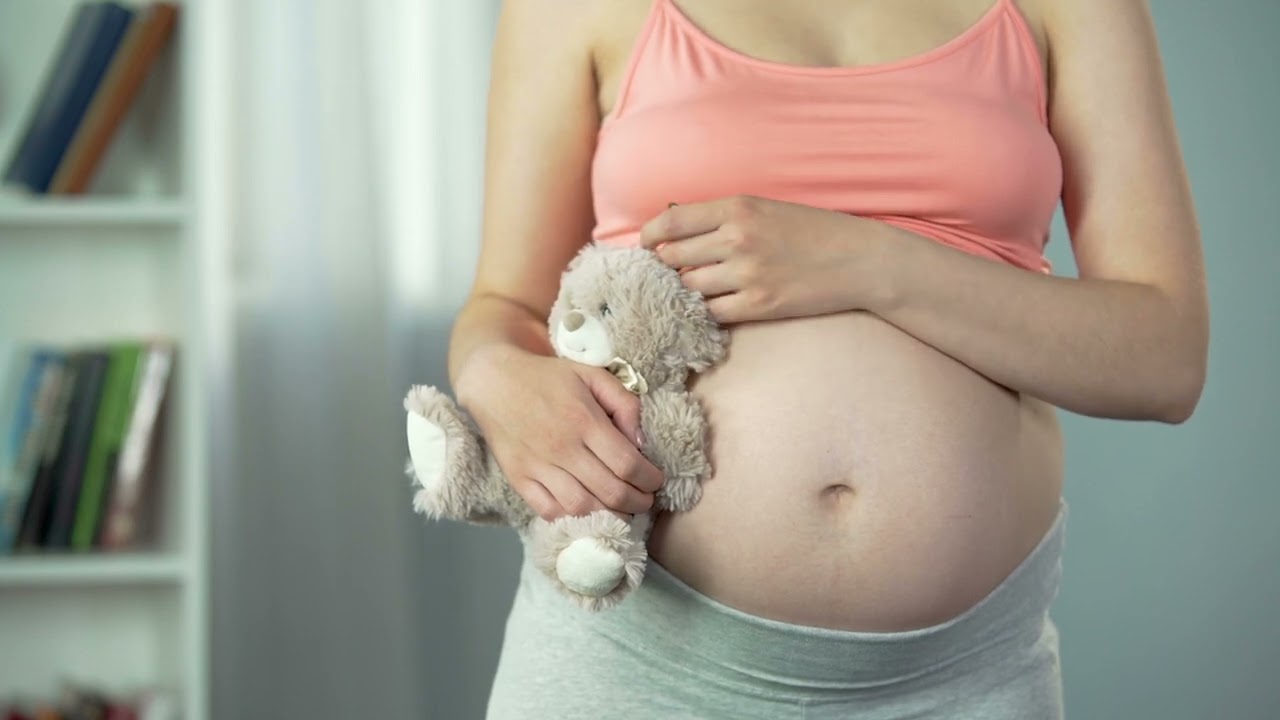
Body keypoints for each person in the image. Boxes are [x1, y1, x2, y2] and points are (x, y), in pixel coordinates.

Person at [450, 0, 1208, 717]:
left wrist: (867, 259)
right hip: (635, 659)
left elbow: (1165, 360)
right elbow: (503, 307)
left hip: (962, 680)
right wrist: (493, 376)